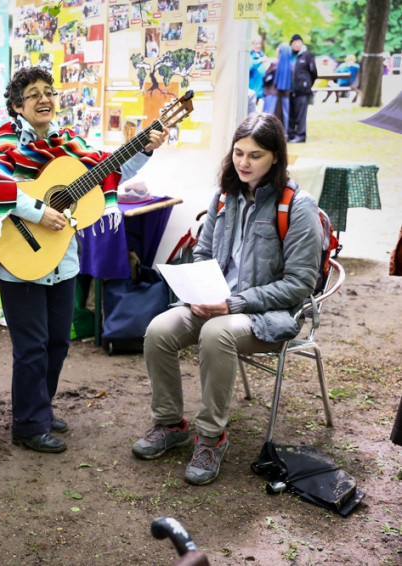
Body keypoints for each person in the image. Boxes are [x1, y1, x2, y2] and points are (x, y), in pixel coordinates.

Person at [0, 66, 165, 454]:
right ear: (17, 106)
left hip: (61, 259)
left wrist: (145, 147)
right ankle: (28, 425)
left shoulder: (69, 143)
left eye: (49, 92)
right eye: (34, 94)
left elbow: (110, 170)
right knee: (31, 346)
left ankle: (40, 408)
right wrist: (38, 211)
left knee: (57, 342)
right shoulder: (7, 142)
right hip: (20, 259)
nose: (44, 99)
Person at [131, 113, 322, 485]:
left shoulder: (297, 206)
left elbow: (300, 284)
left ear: (276, 158)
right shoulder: (225, 196)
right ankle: (170, 424)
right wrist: (196, 290)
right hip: (214, 303)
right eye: (238, 153)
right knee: (158, 330)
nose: (244, 163)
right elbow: (203, 253)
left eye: (255, 155)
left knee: (216, 333)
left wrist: (234, 304)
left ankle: (211, 436)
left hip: (266, 314)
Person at [288, 34, 317, 143]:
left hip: (302, 91)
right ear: (291, 44)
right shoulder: (289, 55)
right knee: (290, 114)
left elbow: (314, 73)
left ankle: (300, 135)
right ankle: (290, 134)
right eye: (294, 42)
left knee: (301, 115)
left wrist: (306, 84)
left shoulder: (307, 56)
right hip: (289, 90)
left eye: (299, 42)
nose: (297, 44)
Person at [262, 42, 292, 135]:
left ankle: (266, 133)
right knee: (284, 115)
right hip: (285, 94)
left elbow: (265, 77)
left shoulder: (275, 64)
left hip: (272, 93)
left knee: (269, 114)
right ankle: (283, 133)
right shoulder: (291, 66)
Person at [248, 37, 267, 113]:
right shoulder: (249, 56)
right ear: (252, 44)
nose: (258, 46)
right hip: (252, 90)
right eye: (256, 44)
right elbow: (249, 67)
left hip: (261, 92)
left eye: (260, 44)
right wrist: (259, 61)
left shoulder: (262, 55)